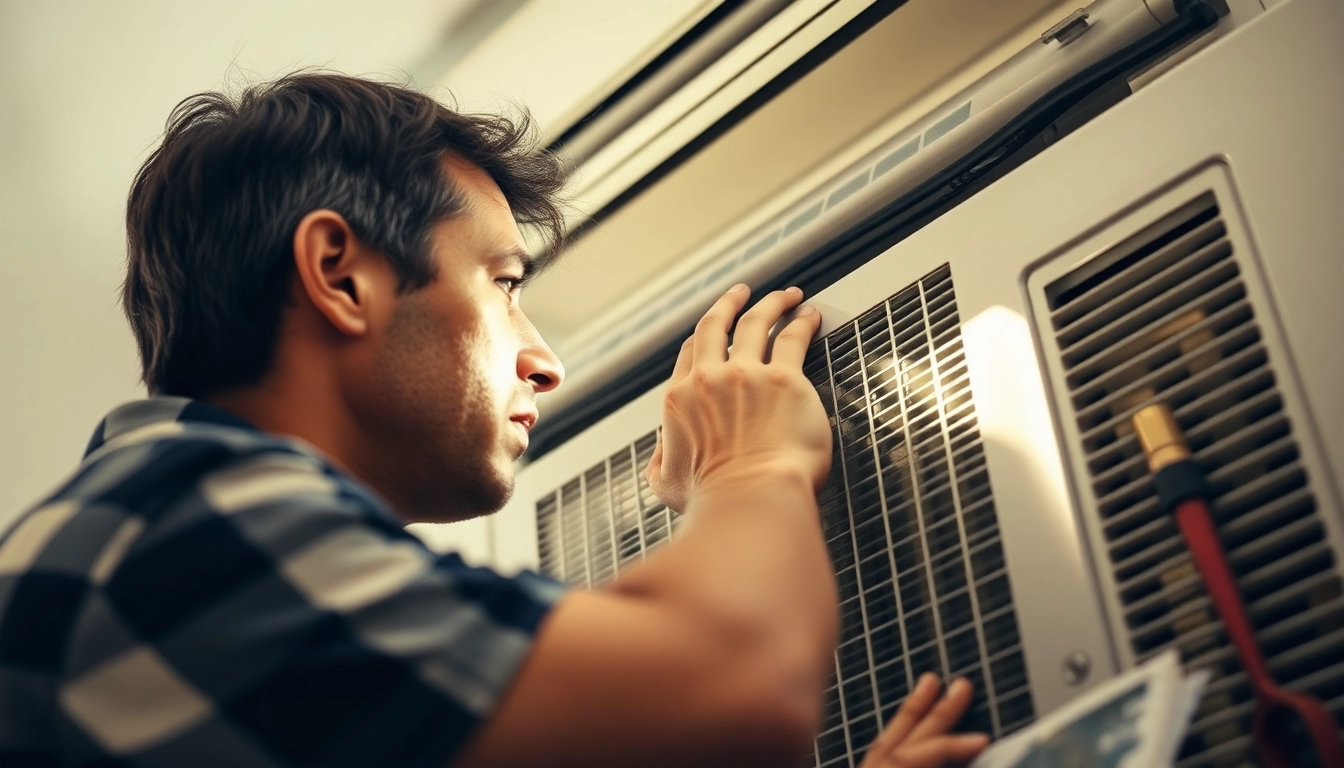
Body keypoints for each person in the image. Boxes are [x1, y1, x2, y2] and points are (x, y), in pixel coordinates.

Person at [0, 73, 989, 768]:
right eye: (505, 282)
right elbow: (745, 690)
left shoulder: (191, 562)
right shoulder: (182, 525)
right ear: (341, 275)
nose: (544, 360)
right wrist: (752, 464)